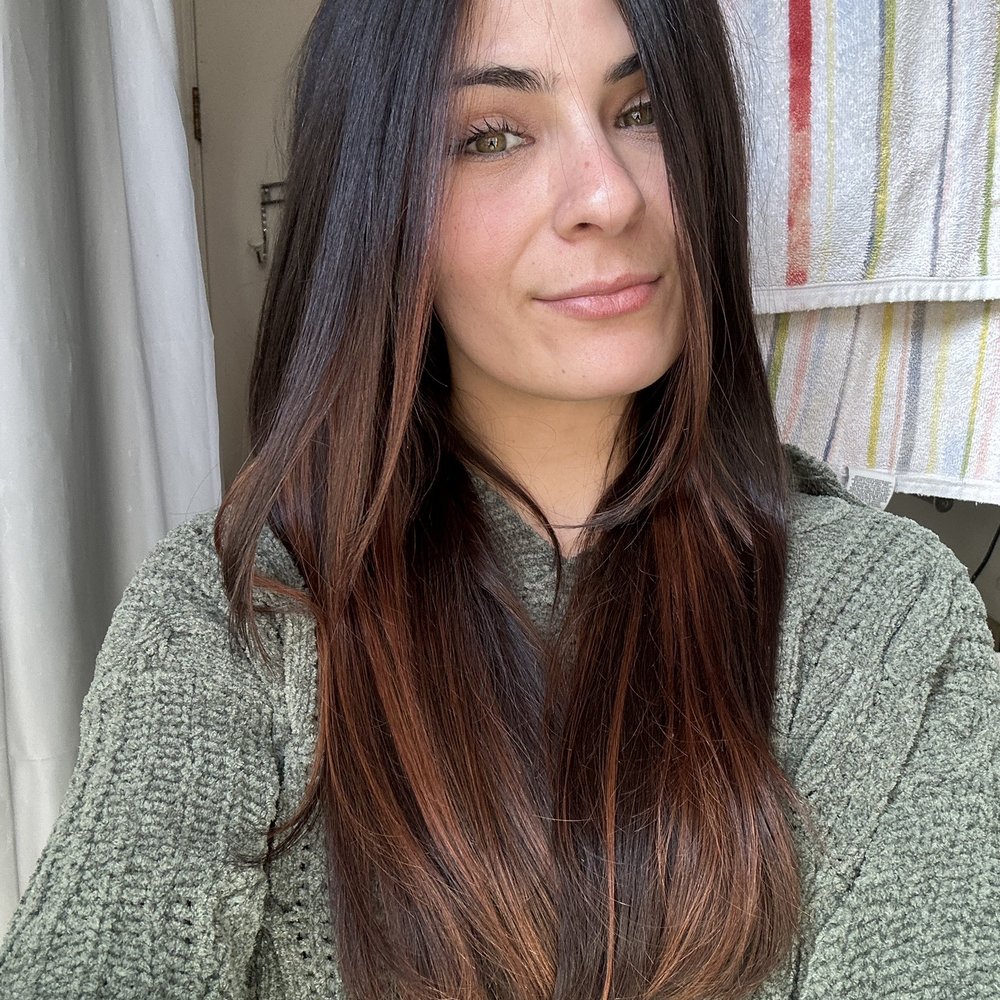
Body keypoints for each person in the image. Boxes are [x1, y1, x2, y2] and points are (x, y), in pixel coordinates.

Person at [1, 0, 997, 996]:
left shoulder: (883, 614)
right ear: (380, 209)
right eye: (489, 136)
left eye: (643, 109)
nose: (607, 195)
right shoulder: (236, 612)